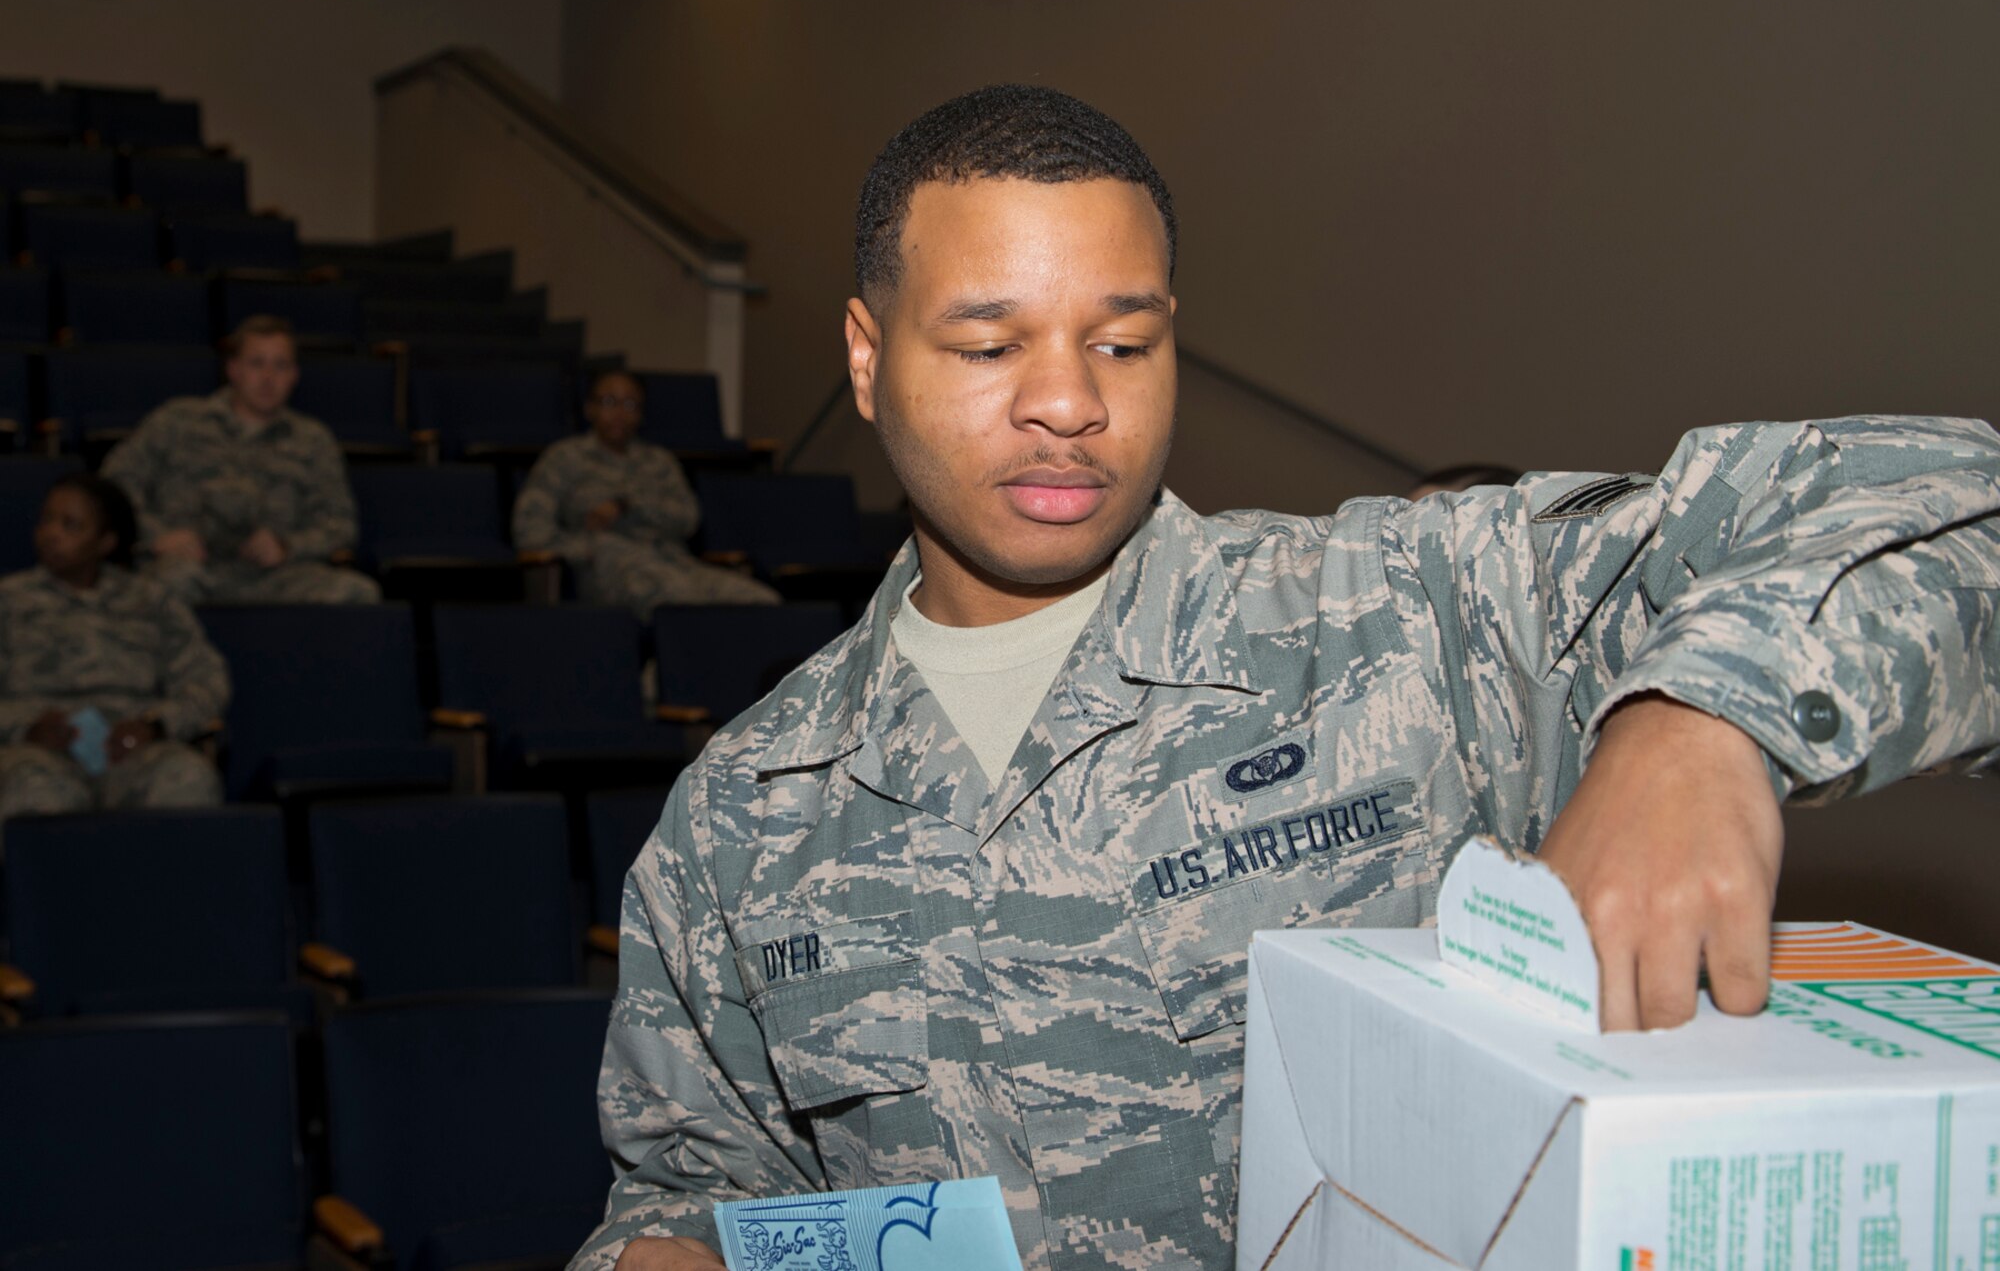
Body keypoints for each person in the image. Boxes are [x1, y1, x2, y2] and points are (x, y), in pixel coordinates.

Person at [573, 87, 2000, 1271]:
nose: (1069, 400)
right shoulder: (744, 818)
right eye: (991, 344)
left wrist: (1703, 718)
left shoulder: (1409, 617)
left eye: (1123, 342)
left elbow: (1954, 506)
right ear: (869, 359)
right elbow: (688, 1191)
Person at [0, 473, 227, 844]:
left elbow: (207, 680)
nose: (51, 533)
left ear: (105, 542)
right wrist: (25, 727)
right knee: (34, 789)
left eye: (70, 525)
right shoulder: (8, 601)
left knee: (186, 776)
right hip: (33, 754)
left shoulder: (152, 601)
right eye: (46, 520)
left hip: (130, 753)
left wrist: (156, 725)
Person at [101, 314, 380, 606]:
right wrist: (158, 537)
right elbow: (113, 488)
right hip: (185, 567)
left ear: (295, 375)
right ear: (233, 369)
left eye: (280, 365)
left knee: (356, 592)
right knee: (166, 584)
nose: (268, 378)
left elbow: (339, 524)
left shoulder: (313, 440)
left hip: (272, 577)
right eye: (257, 363)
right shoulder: (178, 420)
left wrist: (287, 547)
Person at [512, 370, 781, 616]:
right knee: (681, 606)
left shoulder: (659, 462)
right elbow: (529, 531)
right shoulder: (564, 458)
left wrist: (629, 504)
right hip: (607, 570)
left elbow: (688, 519)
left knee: (762, 603)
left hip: (673, 561)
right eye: (609, 402)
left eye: (630, 405)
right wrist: (590, 547)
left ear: (641, 414)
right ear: (589, 409)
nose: (619, 413)